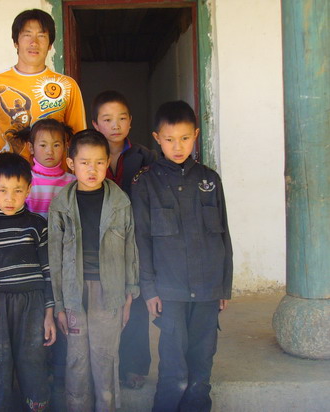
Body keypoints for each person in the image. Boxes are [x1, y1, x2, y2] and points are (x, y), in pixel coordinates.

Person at [131, 101, 233, 412]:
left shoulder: (209, 180)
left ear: (196, 136)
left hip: (207, 288)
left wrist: (224, 286)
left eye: (185, 138)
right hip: (169, 291)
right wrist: (149, 290)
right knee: (173, 368)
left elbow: (224, 236)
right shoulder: (145, 182)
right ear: (157, 138)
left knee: (202, 365)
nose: (178, 146)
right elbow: (141, 240)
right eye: (170, 139)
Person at [48, 130, 139, 412]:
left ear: (108, 162)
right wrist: (59, 305)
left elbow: (130, 249)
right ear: (71, 163)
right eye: (85, 162)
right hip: (73, 292)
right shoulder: (61, 204)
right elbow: (54, 257)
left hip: (109, 291)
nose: (92, 169)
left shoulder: (119, 201)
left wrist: (129, 293)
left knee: (105, 357)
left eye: (99, 162)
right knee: (76, 358)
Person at [0, 153, 56, 411]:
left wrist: (49, 314)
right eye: (3, 190)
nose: (10, 198)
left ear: (29, 190)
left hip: (33, 304)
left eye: (18, 190)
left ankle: (36, 406)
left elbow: (48, 270)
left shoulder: (37, 224)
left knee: (33, 358)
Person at [91, 90, 157, 389]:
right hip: (98, 240)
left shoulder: (146, 157)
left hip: (136, 240)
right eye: (107, 119)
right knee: (102, 305)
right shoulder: (88, 155)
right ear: (95, 124)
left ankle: (134, 366)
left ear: (130, 121)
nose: (115, 125)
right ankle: (103, 367)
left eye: (121, 118)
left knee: (136, 304)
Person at [0, 8, 86, 159]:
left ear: (50, 45)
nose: (34, 42)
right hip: (9, 172)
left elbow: (79, 141)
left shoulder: (67, 85)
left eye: (41, 36)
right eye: (27, 35)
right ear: (16, 42)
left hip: (55, 173)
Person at [25, 118, 76, 219]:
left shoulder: (73, 182)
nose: (50, 151)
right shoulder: (24, 179)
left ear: (65, 147)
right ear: (31, 147)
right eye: (43, 145)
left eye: (56, 145)